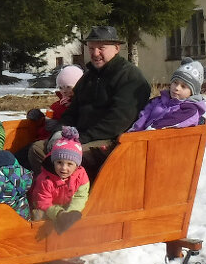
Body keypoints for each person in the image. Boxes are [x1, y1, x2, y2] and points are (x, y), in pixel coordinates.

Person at [26, 25, 151, 176]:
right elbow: (72, 111)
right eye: (91, 49)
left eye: (101, 48)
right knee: (37, 149)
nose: (95, 53)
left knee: (65, 156)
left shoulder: (130, 77)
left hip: (110, 141)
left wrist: (79, 139)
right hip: (79, 135)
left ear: (116, 48)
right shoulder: (89, 77)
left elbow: (117, 122)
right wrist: (59, 131)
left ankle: (74, 195)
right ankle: (52, 192)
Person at [29, 126, 90, 232]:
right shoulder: (45, 179)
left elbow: (80, 196)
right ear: (54, 162)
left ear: (77, 165)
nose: (63, 168)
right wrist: (59, 214)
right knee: (38, 216)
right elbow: (42, 201)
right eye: (59, 162)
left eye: (69, 164)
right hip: (47, 207)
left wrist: (70, 214)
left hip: (66, 205)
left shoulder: (81, 175)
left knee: (82, 213)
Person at [130, 58, 206, 131]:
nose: (177, 88)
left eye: (183, 86)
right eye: (175, 83)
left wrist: (152, 128)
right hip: (142, 141)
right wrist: (133, 131)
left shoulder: (189, 110)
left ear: (192, 92)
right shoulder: (158, 101)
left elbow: (173, 120)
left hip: (166, 144)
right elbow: (143, 116)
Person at [26, 64, 84, 135]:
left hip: (70, 142)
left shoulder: (83, 105)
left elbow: (83, 128)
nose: (64, 91)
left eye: (68, 87)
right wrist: (40, 118)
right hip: (50, 139)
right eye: (61, 87)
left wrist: (59, 127)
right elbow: (44, 128)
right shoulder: (56, 106)